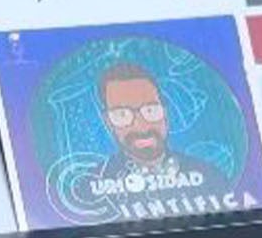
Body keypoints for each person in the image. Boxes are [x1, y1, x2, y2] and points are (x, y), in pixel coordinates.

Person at [92, 62, 225, 195]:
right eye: (122, 115)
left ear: (165, 113)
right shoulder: (90, 189)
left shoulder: (209, 177)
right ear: (108, 122)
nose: (141, 127)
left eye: (150, 110)